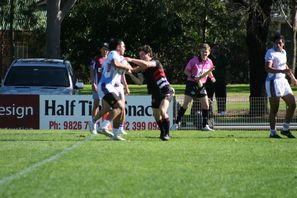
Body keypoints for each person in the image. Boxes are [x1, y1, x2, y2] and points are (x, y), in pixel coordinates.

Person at [126, 45, 175, 141]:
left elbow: (146, 64)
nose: (141, 57)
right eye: (140, 55)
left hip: (165, 90)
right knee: (156, 115)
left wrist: (130, 59)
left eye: (143, 55)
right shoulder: (143, 68)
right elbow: (139, 81)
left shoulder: (155, 62)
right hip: (155, 94)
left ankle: (167, 134)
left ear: (149, 54)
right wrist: (129, 72)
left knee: (162, 111)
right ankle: (162, 132)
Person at [171, 43, 216, 131]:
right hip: (191, 84)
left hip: (201, 85)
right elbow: (186, 71)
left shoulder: (209, 62)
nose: (204, 53)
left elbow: (209, 71)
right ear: (200, 52)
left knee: (206, 105)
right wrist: (192, 76)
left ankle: (204, 125)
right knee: (185, 105)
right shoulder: (194, 60)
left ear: (209, 52)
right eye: (203, 52)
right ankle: (176, 124)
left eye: (206, 52)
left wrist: (212, 77)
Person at [96, 38, 133, 140]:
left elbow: (129, 67)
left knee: (119, 109)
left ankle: (116, 134)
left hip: (110, 86)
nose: (125, 48)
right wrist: (126, 67)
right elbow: (116, 64)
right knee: (119, 107)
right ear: (118, 47)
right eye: (123, 46)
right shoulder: (113, 53)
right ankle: (103, 126)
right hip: (105, 85)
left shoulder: (119, 57)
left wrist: (129, 66)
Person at [265, 34, 297, 138]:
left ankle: (285, 129)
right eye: (276, 43)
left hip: (283, 81)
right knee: (275, 109)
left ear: (283, 43)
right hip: (273, 82)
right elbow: (268, 68)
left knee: (292, 104)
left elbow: (285, 65)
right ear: (273, 43)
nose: (278, 45)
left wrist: (292, 77)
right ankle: (273, 132)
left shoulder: (284, 52)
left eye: (280, 43)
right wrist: (282, 70)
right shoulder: (270, 52)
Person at [88, 42, 109, 134]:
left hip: (108, 87)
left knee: (107, 106)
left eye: (106, 49)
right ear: (101, 49)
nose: (105, 50)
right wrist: (93, 83)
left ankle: (105, 126)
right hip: (98, 85)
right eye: (103, 48)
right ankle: (94, 125)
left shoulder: (110, 59)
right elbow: (91, 70)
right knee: (96, 104)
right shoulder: (96, 59)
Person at [205, 44, 228, 116]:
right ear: (211, 49)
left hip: (221, 82)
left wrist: (227, 79)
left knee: (221, 96)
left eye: (217, 48)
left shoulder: (223, 58)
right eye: (214, 48)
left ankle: (222, 112)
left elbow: (227, 69)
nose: (216, 49)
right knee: (208, 97)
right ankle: (209, 112)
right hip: (209, 82)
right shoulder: (207, 58)